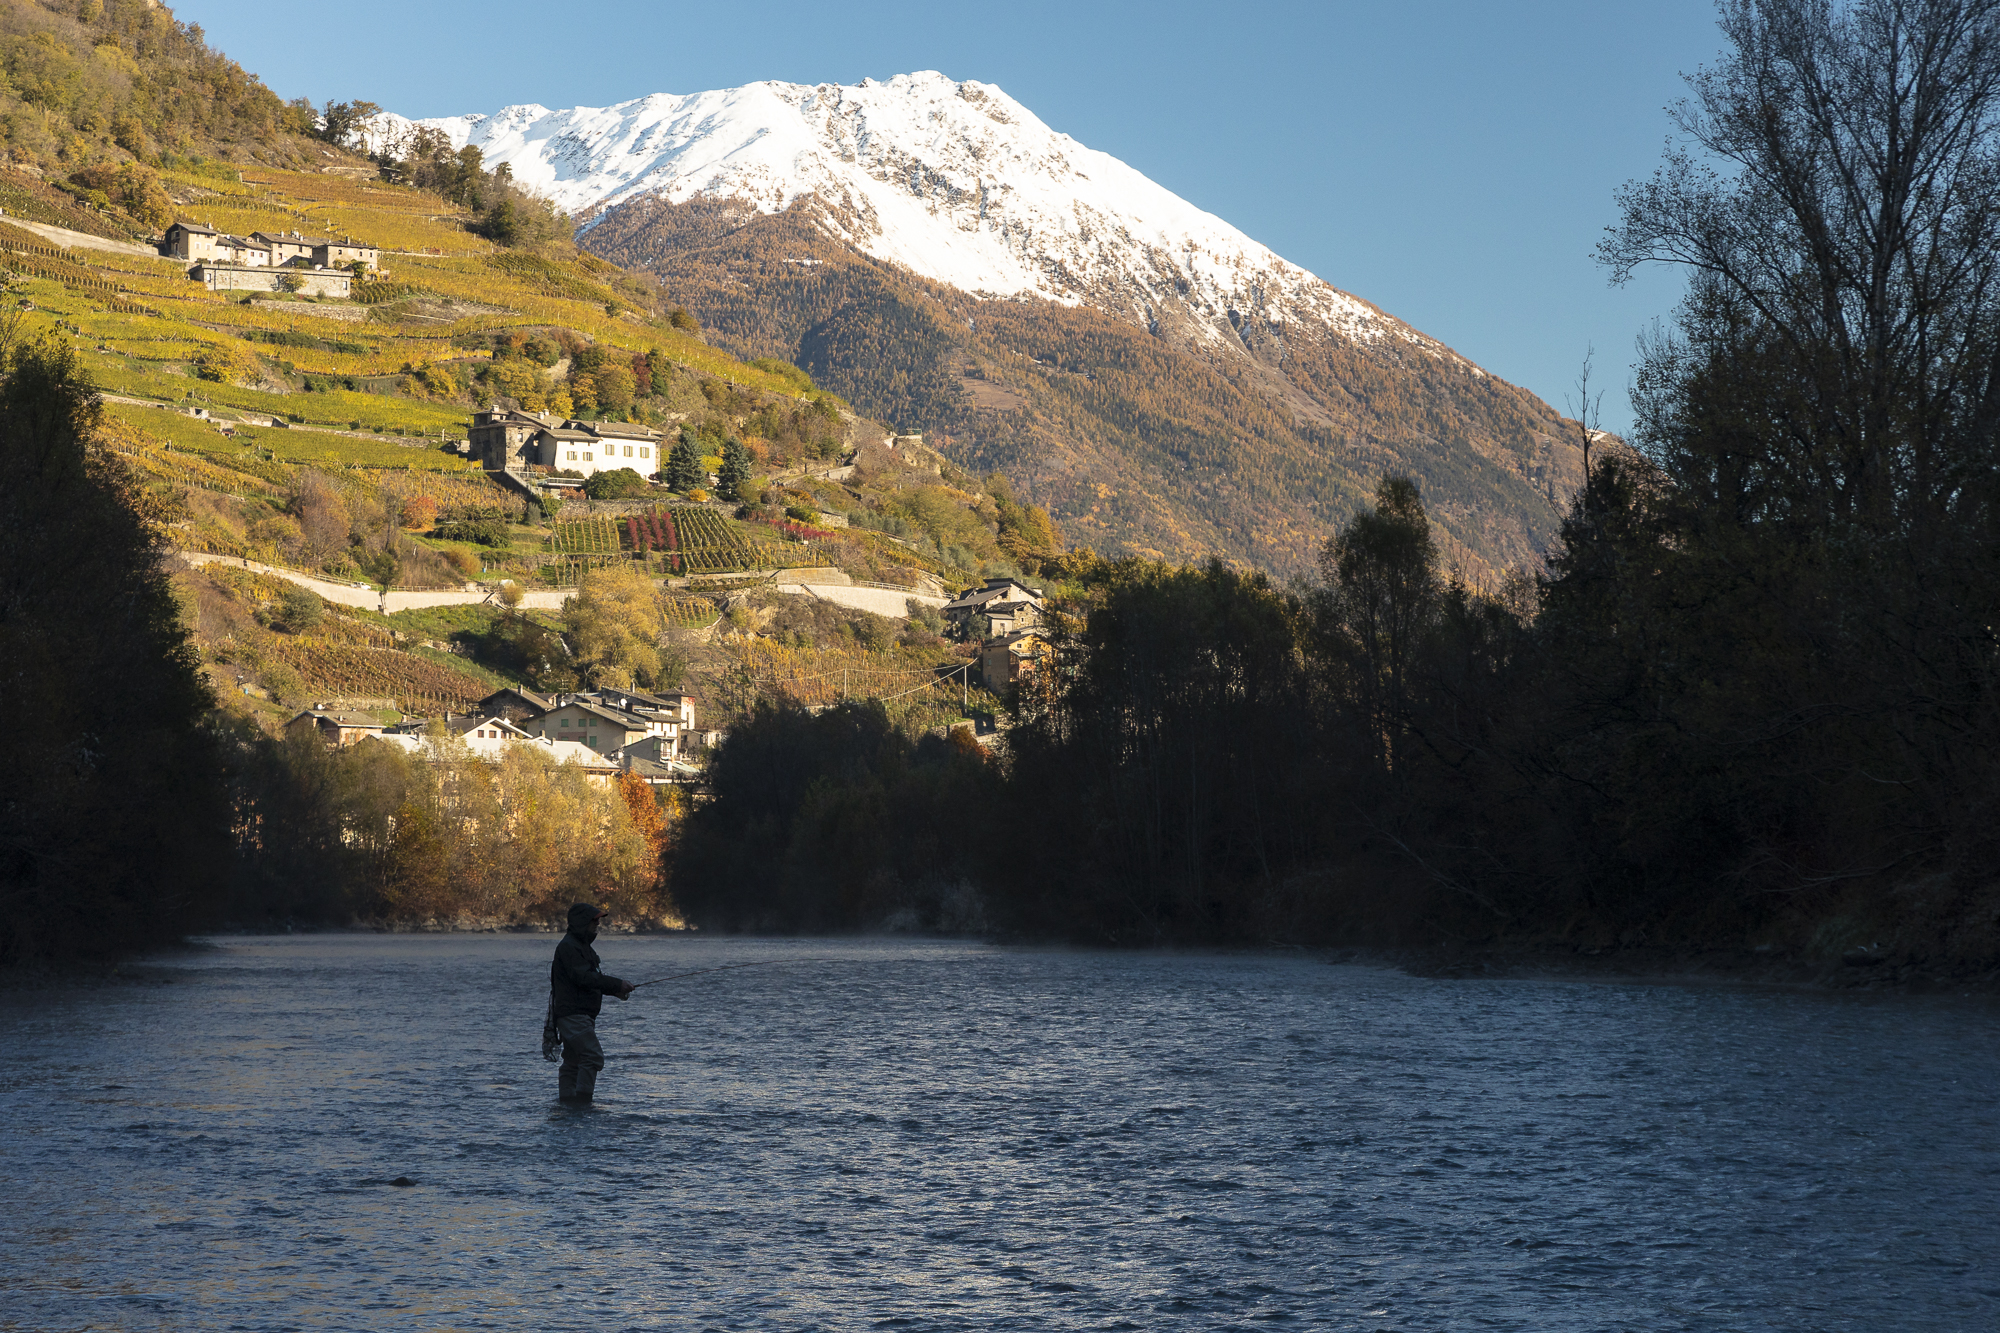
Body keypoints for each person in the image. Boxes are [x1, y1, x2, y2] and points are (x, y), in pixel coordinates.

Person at [549, 902, 634, 1104]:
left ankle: (568, 1105)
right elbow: (584, 978)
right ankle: (583, 1104)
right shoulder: (569, 947)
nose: (598, 924)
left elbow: (591, 979)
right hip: (574, 1015)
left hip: (578, 1014)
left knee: (573, 1062)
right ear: (582, 922)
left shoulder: (581, 946)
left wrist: (616, 991)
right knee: (592, 1057)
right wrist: (616, 984)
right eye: (594, 920)